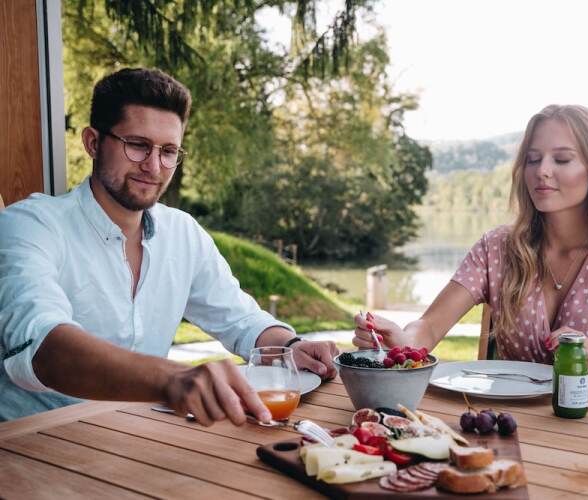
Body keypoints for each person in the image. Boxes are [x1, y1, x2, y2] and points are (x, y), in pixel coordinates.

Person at [0, 68, 339, 424]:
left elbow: (241, 319)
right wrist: (170, 378)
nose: (153, 166)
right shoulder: (29, 226)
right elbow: (43, 347)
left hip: (140, 436)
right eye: (138, 145)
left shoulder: (183, 232)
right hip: (33, 440)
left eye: (168, 151)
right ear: (93, 143)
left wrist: (291, 347)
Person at [354, 105, 588, 386]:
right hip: (509, 425)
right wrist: (403, 341)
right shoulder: (496, 248)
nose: (542, 171)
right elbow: (428, 325)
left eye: (562, 159)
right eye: (533, 159)